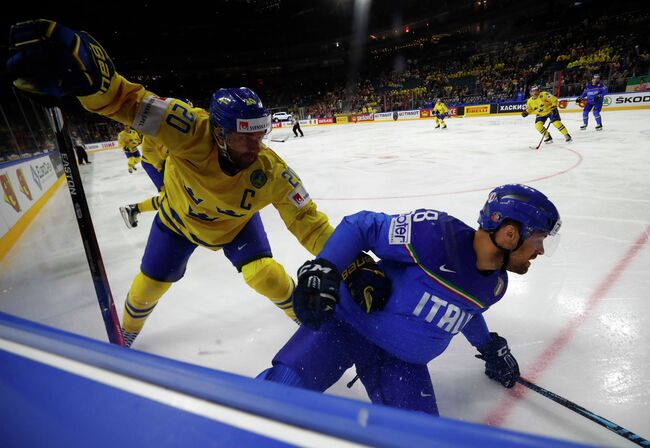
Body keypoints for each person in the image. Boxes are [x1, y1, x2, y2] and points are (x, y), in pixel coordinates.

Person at [7, 19, 386, 348]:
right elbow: (127, 100)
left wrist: (348, 264)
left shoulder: (271, 172)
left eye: (260, 134)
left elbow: (310, 223)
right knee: (148, 287)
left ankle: (309, 325)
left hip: (235, 227)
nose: (257, 146)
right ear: (219, 133)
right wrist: (95, 86)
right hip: (177, 223)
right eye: (245, 137)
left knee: (263, 274)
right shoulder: (188, 128)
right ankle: (126, 336)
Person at [259, 184, 561, 416]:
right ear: (510, 234)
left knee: (418, 439)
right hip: (346, 327)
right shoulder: (434, 234)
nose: (541, 251)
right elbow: (363, 226)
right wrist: (326, 266)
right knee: (271, 401)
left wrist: (489, 347)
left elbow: (466, 312)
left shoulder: (495, 285)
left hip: (401, 363)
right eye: (538, 241)